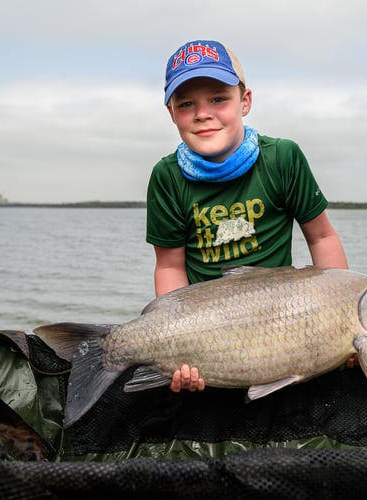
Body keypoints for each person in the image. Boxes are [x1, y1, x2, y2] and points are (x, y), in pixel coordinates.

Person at [146, 39, 349, 392]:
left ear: (245, 101)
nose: (202, 113)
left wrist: (342, 317)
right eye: (186, 103)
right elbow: (170, 267)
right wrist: (176, 348)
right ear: (171, 112)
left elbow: (322, 237)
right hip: (207, 334)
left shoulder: (282, 158)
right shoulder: (166, 177)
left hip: (281, 323)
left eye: (218, 99)